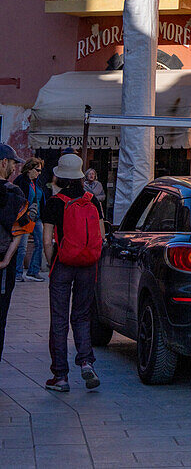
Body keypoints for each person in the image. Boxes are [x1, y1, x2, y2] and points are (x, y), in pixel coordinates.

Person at [42, 153, 105, 391]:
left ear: (59, 175)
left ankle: (60, 376)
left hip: (63, 264)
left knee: (59, 320)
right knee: (81, 316)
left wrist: (53, 263)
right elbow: (101, 234)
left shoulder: (55, 202)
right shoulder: (93, 201)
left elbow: (48, 241)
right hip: (88, 265)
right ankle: (86, 363)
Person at [0, 143, 30, 360]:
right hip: (2, 262)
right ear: (3, 163)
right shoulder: (14, 192)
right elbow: (21, 230)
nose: (14, 168)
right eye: (12, 163)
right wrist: (7, 260)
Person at [15, 158, 46, 282]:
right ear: (29, 169)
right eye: (37, 170)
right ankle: (17, 273)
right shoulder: (21, 181)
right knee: (22, 246)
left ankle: (33, 271)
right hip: (25, 217)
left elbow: (41, 199)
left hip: (36, 217)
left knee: (40, 243)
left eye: (40, 170)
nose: (39, 173)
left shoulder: (37, 182)